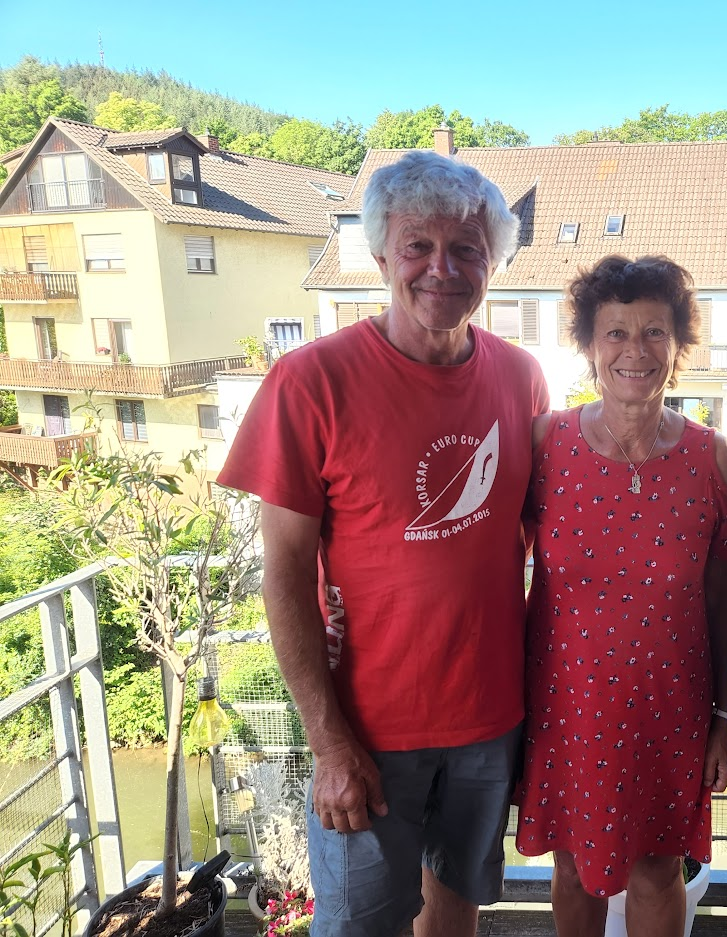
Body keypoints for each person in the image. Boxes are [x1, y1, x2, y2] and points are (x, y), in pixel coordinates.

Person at [217, 150, 550, 937]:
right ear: (379, 257)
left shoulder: (521, 378)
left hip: (489, 718)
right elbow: (287, 576)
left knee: (456, 915)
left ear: (492, 261)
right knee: (360, 926)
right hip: (368, 733)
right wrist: (329, 743)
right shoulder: (310, 381)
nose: (442, 268)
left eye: (466, 248)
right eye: (417, 247)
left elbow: (541, 540)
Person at [514, 255, 727, 937]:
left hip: (669, 706)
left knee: (656, 871)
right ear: (587, 345)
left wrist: (722, 718)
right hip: (566, 702)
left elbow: (724, 597)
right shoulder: (544, 444)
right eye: (614, 332)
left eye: (653, 332)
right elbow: (487, 558)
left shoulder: (712, 459)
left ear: (678, 346)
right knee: (570, 868)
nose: (634, 351)